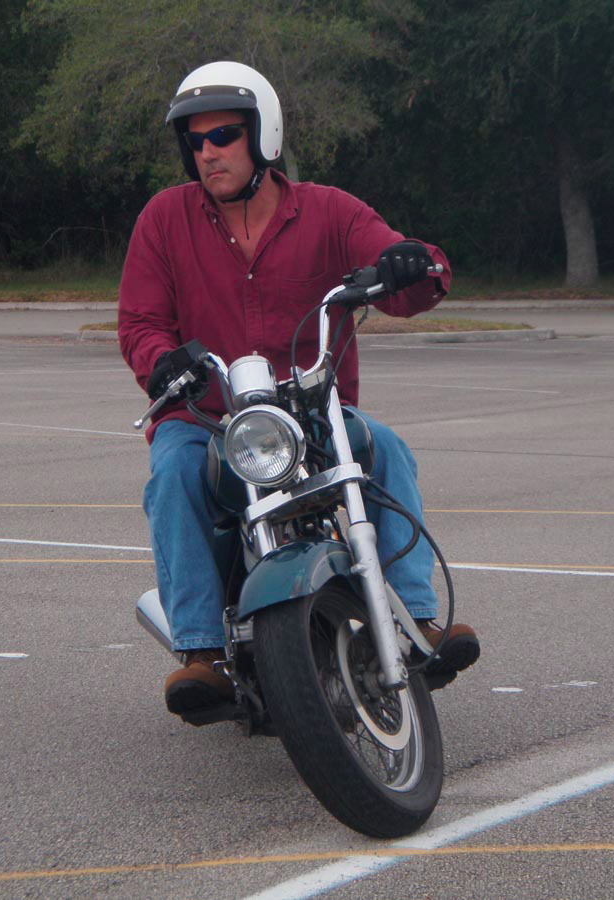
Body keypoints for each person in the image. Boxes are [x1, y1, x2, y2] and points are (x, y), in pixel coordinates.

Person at [119, 61, 480, 717]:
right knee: (171, 473)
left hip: (313, 414)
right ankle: (202, 652)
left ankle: (415, 617)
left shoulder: (330, 211)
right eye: (195, 141)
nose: (208, 152)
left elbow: (403, 269)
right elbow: (140, 322)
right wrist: (161, 361)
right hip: (207, 417)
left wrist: (412, 264)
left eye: (223, 135)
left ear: (264, 134)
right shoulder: (165, 219)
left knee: (387, 451)